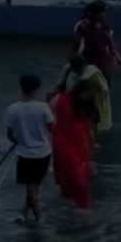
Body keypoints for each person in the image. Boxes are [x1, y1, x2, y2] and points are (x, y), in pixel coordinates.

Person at [5, 75, 55, 223]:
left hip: (24, 154)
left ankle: (26, 212)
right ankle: (38, 216)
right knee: (34, 185)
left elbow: (10, 135)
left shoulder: (12, 109)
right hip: (42, 153)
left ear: (21, 87)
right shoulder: (43, 107)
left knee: (30, 184)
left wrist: (19, 140)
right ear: (36, 89)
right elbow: (52, 128)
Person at [49, 75, 95, 209]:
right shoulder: (63, 100)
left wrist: (91, 142)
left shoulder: (84, 103)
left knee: (80, 176)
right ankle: (82, 209)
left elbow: (88, 125)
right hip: (65, 143)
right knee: (78, 179)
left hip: (79, 142)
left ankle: (76, 205)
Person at [60, 54, 112, 134]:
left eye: (79, 69)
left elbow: (104, 89)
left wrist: (97, 102)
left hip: (92, 102)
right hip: (78, 102)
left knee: (94, 124)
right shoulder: (71, 71)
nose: (77, 71)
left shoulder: (93, 72)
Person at [73, 0, 120, 83]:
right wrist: (78, 57)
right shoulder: (83, 24)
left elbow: (109, 39)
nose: (105, 14)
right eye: (103, 12)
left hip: (102, 60)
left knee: (104, 82)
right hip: (89, 59)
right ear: (97, 13)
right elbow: (81, 43)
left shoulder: (103, 24)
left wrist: (116, 55)